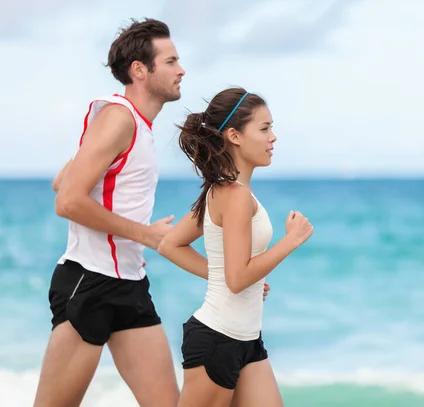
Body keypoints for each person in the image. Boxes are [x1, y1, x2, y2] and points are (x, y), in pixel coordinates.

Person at [36, 18, 270, 407]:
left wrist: (234, 277)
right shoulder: (118, 118)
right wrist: (143, 232)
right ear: (140, 70)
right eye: (171, 61)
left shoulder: (134, 124)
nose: (182, 70)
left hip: (129, 285)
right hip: (88, 282)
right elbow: (68, 201)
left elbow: (65, 181)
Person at [157, 87, 314, 407]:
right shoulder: (233, 194)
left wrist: (240, 277)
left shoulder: (228, 190)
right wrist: (291, 240)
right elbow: (237, 278)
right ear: (235, 135)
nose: (273, 138)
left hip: (247, 340)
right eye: (265, 128)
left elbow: (171, 244)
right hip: (219, 338)